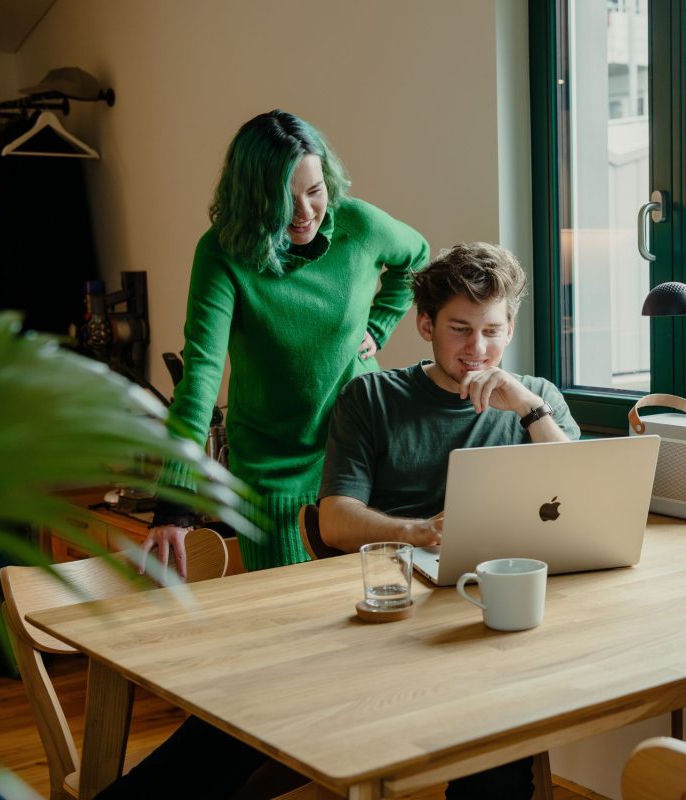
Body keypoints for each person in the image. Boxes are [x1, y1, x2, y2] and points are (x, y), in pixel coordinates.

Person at [318, 241, 580, 798]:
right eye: (460, 329)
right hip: (401, 618)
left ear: (510, 327)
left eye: (491, 330)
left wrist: (528, 411)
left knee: (502, 717)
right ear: (424, 324)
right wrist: (417, 531)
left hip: (502, 609)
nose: (477, 349)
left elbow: (579, 497)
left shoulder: (538, 399)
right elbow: (334, 522)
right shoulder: (372, 397)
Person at [143, 110, 429, 575]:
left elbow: (416, 257)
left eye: (314, 191)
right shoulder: (222, 253)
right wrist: (173, 505)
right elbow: (200, 376)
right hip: (274, 475)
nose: (305, 213)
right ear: (252, 198)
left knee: (383, 614)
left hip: (361, 457)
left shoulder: (358, 226)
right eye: (284, 198)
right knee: (290, 626)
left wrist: (379, 324)